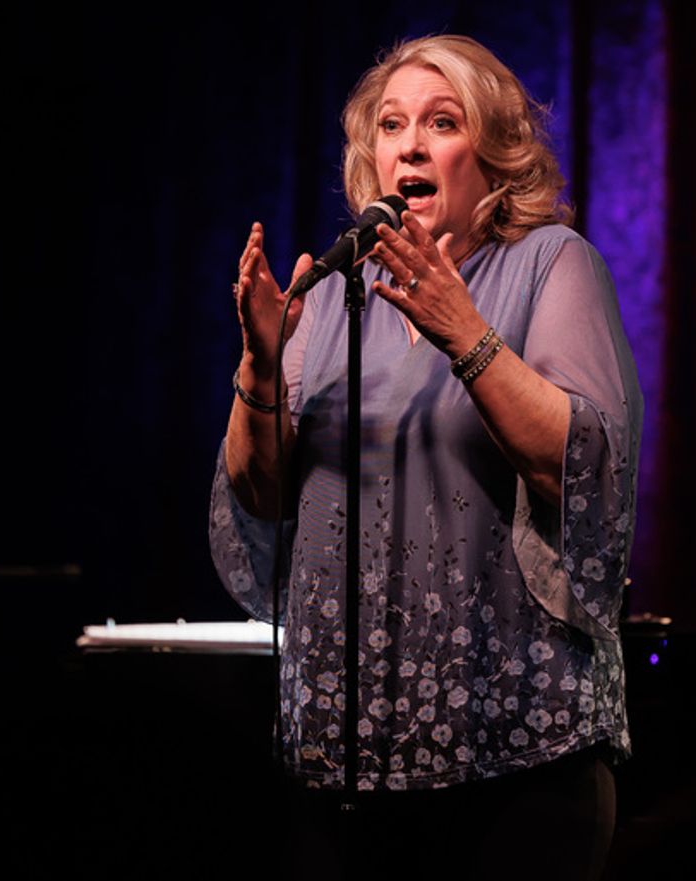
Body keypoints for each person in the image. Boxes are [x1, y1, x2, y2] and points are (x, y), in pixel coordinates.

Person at [209, 35, 641, 879]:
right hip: (344, 765)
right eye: (392, 125)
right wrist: (260, 364)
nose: (409, 143)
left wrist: (465, 331)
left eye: (442, 122)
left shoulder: (549, 265)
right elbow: (260, 493)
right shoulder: (331, 297)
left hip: (518, 760)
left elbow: (583, 469)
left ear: (493, 156)